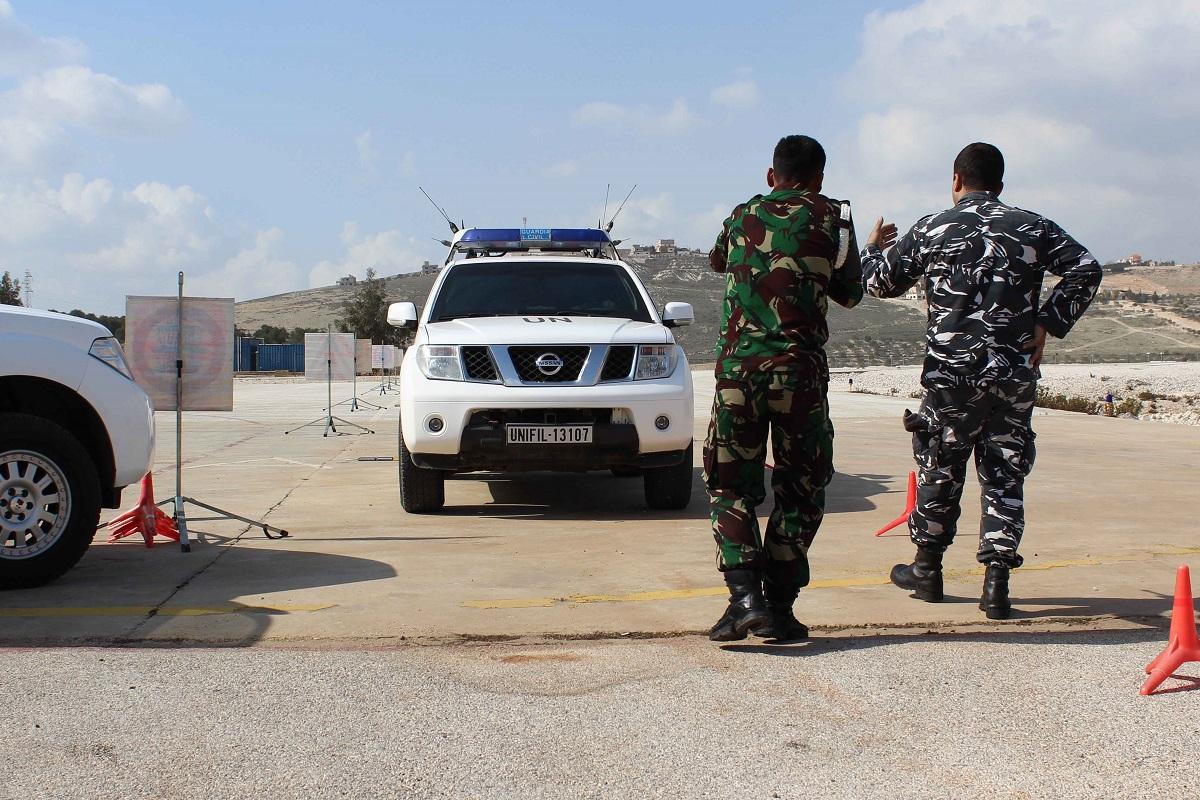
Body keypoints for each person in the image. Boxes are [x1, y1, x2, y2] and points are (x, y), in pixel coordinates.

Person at [860, 142, 1101, 619]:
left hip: (953, 375)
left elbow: (878, 282)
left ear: (956, 180)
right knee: (1004, 473)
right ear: (1000, 185)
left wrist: (872, 248)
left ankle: (927, 570)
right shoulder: (1032, 226)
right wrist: (1048, 321)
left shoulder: (933, 228)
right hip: (1013, 373)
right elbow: (1086, 268)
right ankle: (996, 584)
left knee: (940, 465)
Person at [704, 134, 863, 641]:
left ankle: (744, 599)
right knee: (800, 488)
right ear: (820, 178)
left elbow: (717, 261)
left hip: (739, 375)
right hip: (799, 375)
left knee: (731, 486)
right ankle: (779, 605)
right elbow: (850, 293)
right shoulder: (834, 218)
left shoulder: (742, 215)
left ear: (771, 175)